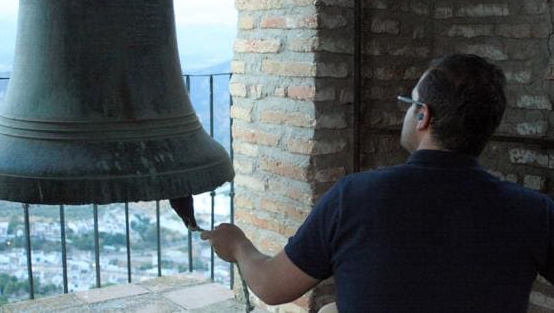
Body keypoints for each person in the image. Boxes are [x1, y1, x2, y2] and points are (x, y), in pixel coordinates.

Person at [201, 54, 554, 312]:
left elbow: (272, 287)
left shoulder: (354, 197)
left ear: (423, 115)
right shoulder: (534, 210)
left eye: (409, 102)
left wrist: (238, 246)